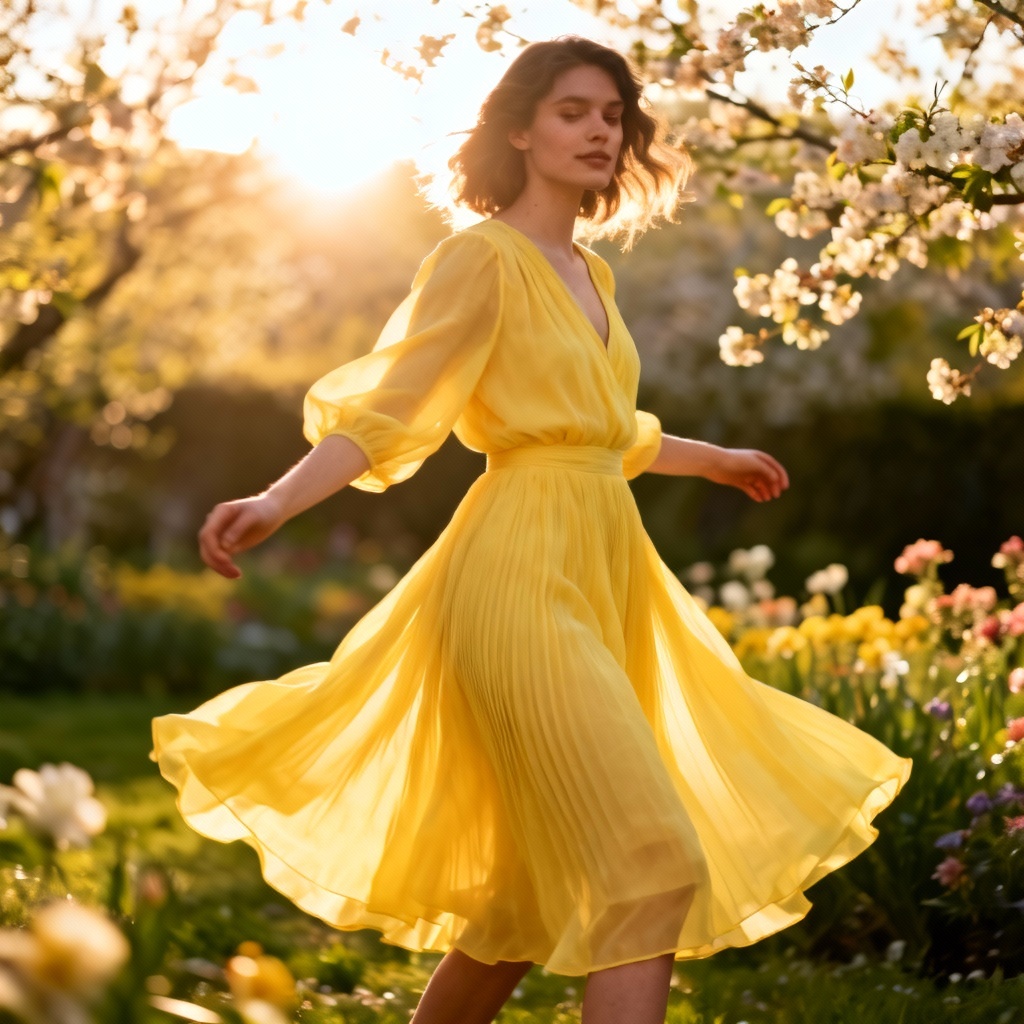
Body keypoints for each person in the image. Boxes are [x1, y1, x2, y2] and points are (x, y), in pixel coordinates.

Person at [152, 36, 912, 1024]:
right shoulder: (481, 257)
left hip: (603, 571)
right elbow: (391, 407)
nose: (600, 130)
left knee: (517, 901)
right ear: (519, 129)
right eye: (573, 112)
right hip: (516, 575)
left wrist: (710, 458)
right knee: (649, 863)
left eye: (612, 116)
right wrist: (276, 501)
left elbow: (605, 432)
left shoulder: (591, 273)